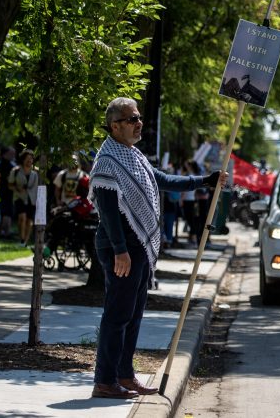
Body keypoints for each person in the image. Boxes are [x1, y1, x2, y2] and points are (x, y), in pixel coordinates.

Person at [89, 97, 223, 400]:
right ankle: (105, 380)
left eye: (139, 117)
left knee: (133, 315)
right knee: (117, 315)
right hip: (119, 248)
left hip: (137, 247)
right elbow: (109, 212)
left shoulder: (133, 155)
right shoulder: (108, 161)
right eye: (132, 119)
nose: (139, 124)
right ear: (115, 125)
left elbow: (161, 179)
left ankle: (124, 374)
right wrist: (120, 250)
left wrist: (205, 180)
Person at [9, 149, 40, 245]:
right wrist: (17, 189)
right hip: (20, 197)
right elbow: (10, 185)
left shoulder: (36, 172)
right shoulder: (16, 170)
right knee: (22, 217)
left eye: (31, 159)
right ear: (23, 160)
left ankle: (25, 241)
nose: (29, 161)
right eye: (27, 159)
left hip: (32, 199)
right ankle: (21, 239)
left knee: (29, 221)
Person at [0, 146, 16, 239]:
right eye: (11, 154)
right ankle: (3, 232)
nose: (13, 155)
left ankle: (4, 232)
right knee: (4, 212)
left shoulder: (11, 165)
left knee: (7, 213)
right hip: (2, 192)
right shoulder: (3, 166)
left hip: (9, 193)